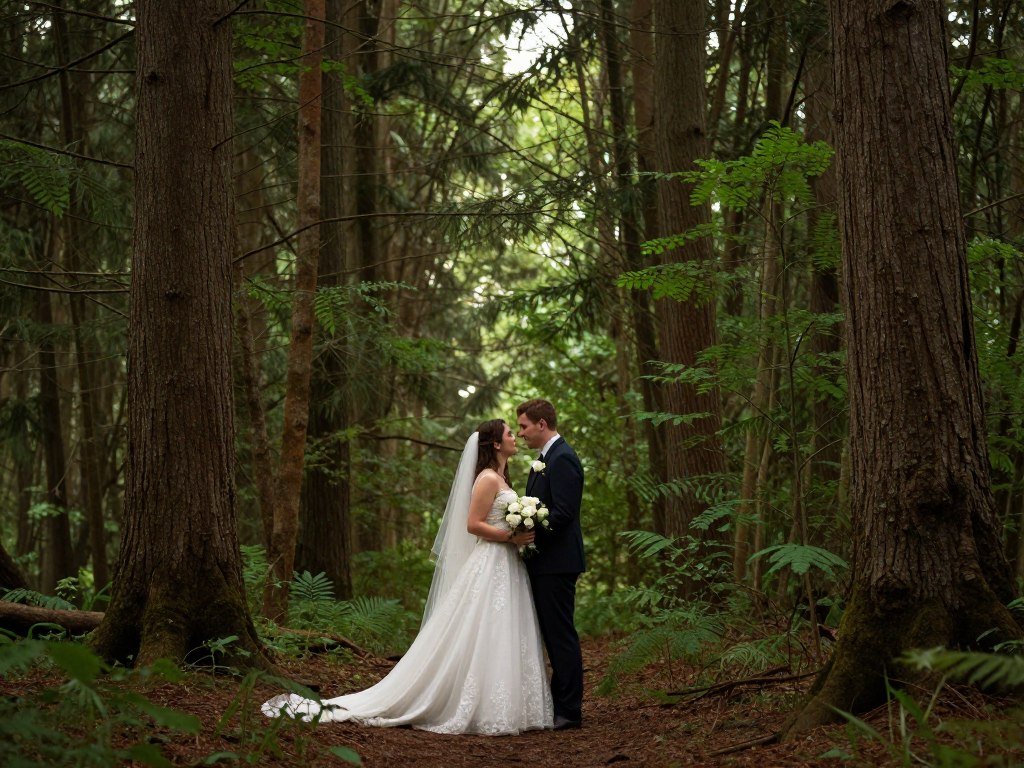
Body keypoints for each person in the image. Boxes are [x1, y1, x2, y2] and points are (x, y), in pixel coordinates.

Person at [261, 419, 554, 735]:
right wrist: (509, 537)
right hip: (493, 559)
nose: (515, 437)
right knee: (484, 629)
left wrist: (521, 530)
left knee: (502, 631)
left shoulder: (501, 478)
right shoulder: (486, 479)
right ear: (496, 443)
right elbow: (472, 524)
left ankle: (505, 706)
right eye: (510, 433)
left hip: (507, 564)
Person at [516, 399, 585, 730]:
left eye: (524, 426)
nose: (521, 433)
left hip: (558, 563)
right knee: (551, 634)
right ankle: (559, 703)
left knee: (560, 636)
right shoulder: (542, 461)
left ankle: (569, 711)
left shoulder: (564, 458)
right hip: (544, 562)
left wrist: (530, 535)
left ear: (542, 424)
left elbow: (563, 514)